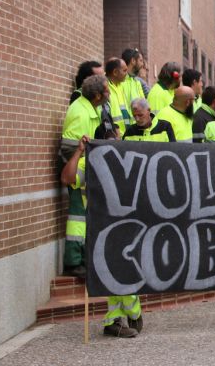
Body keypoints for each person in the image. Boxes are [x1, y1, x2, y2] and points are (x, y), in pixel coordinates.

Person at [61, 135, 142, 338]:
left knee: (126, 273)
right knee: (113, 275)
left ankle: (131, 315)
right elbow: (67, 178)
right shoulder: (88, 163)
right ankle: (116, 321)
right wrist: (79, 151)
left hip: (124, 229)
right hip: (100, 231)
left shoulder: (126, 163)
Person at [59, 74, 109, 277]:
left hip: (84, 172)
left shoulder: (90, 109)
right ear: (97, 95)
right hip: (77, 175)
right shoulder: (81, 114)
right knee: (77, 219)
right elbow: (69, 150)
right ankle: (73, 262)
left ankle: (81, 259)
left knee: (82, 218)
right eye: (106, 90)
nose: (109, 94)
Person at [105, 57, 133, 135]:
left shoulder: (122, 87)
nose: (127, 74)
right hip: (113, 136)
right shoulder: (105, 88)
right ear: (115, 72)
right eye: (124, 70)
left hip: (125, 135)